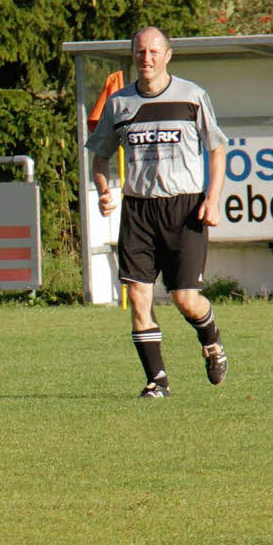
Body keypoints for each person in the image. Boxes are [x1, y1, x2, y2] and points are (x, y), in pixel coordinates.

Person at [87, 26, 229, 398]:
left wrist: (212, 198)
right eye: (139, 52)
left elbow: (217, 149)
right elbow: (99, 156)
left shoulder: (192, 97)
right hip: (138, 210)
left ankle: (211, 338)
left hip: (184, 209)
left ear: (167, 56)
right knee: (137, 296)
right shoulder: (120, 104)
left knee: (185, 299)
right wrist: (104, 190)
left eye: (153, 51)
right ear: (133, 56)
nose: (146, 58)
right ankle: (157, 381)